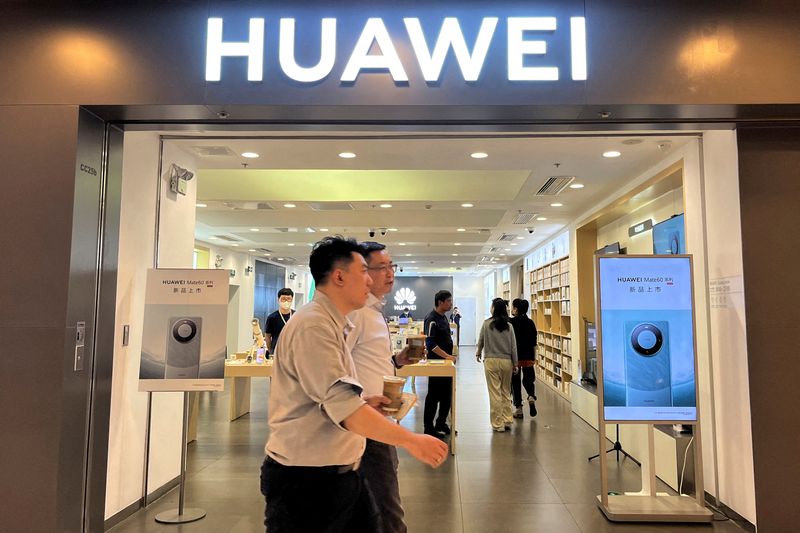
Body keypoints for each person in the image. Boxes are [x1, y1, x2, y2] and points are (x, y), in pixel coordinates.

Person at [261, 236, 449, 533]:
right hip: (307, 480)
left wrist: (365, 401)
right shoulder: (314, 326)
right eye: (365, 270)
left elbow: (335, 391)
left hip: (340, 470)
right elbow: (343, 406)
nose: (373, 279)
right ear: (338, 276)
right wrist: (413, 440)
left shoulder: (337, 322)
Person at [347, 241, 416, 533]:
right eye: (381, 267)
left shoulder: (374, 311)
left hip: (379, 415)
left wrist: (397, 360)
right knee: (387, 506)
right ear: (362, 272)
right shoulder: (357, 312)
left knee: (377, 502)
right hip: (367, 419)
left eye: (392, 266)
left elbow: (366, 360)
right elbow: (338, 367)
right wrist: (359, 403)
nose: (390, 273)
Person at [476, 298, 518, 432]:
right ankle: (507, 419)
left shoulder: (487, 324)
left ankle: (497, 423)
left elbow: (481, 340)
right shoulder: (509, 326)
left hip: (491, 361)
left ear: (494, 308)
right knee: (506, 391)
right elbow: (513, 347)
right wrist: (515, 363)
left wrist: (478, 352)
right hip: (507, 362)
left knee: (494, 392)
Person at [423, 290, 457, 438]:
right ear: (440, 302)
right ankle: (429, 427)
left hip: (446, 364)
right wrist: (447, 356)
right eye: (449, 301)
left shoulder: (444, 318)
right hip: (436, 363)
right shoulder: (431, 319)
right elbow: (430, 343)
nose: (451, 304)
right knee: (433, 396)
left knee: (446, 395)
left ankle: (441, 422)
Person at [510, 298, 538, 418]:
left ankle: (519, 408)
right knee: (528, 379)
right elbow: (534, 342)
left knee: (515, 382)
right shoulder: (530, 322)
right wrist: (533, 357)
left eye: (512, 307)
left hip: (516, 357)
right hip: (528, 356)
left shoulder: (511, 322)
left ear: (516, 309)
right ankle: (531, 395)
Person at [264, 288, 294, 356]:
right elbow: (267, 336)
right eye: (283, 299)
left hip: (293, 352)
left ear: (292, 300)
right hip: (277, 352)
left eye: (289, 299)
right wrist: (271, 351)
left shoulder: (297, 316)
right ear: (278, 300)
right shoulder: (272, 317)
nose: (286, 301)